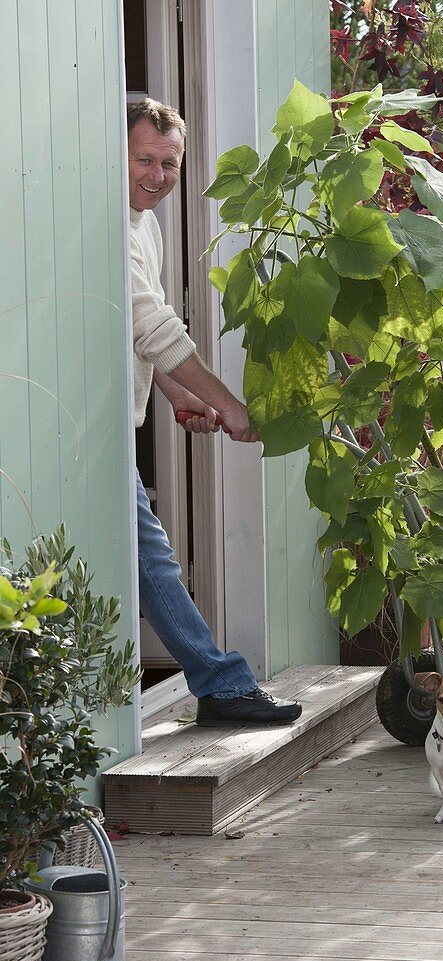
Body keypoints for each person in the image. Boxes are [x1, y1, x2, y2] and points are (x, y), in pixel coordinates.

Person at [127, 97, 301, 727]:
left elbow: (136, 331)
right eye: (145, 159)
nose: (157, 175)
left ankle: (219, 684)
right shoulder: (111, 223)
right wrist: (228, 404)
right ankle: (222, 687)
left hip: (115, 424)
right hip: (81, 429)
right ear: (118, 153)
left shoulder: (144, 223)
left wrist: (178, 395)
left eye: (169, 164)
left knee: (145, 562)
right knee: (152, 561)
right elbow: (152, 325)